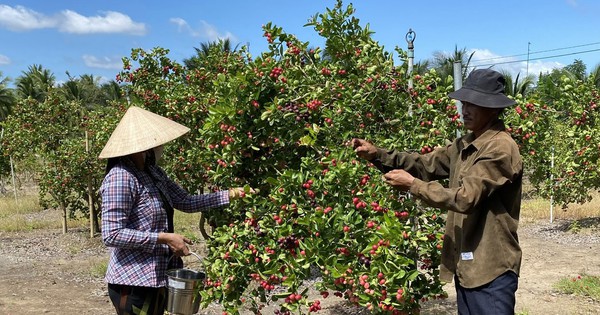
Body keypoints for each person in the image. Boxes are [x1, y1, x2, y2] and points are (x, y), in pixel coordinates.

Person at [352, 69, 523, 315]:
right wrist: (377, 154)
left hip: (491, 270)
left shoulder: (500, 148)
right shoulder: (464, 144)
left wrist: (413, 185)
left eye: (474, 104)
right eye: (464, 103)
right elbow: (424, 164)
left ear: (494, 109)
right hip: (468, 267)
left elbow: (466, 198)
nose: (465, 110)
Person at [99, 106, 250, 315]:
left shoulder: (152, 171)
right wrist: (164, 238)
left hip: (158, 277)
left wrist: (231, 195)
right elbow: (112, 234)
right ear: (143, 144)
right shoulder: (121, 177)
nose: (160, 145)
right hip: (134, 283)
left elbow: (185, 201)